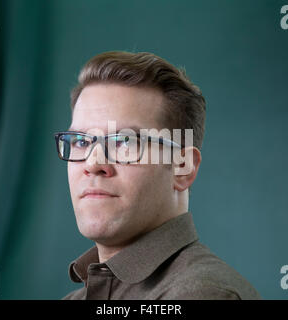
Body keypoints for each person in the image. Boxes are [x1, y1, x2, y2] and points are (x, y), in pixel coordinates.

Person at [57, 51, 260, 300]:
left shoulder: (203, 295)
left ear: (182, 167)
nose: (93, 163)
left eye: (124, 141)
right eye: (80, 141)